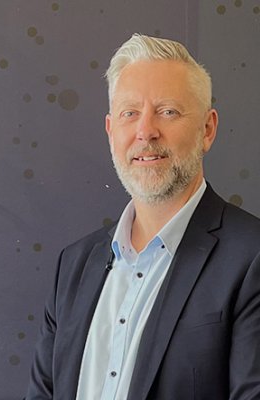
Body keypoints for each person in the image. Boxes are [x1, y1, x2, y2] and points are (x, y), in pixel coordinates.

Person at [25, 34, 260, 400]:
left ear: (207, 130)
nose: (145, 131)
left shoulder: (251, 258)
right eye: (129, 113)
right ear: (110, 131)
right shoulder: (73, 266)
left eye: (168, 111)